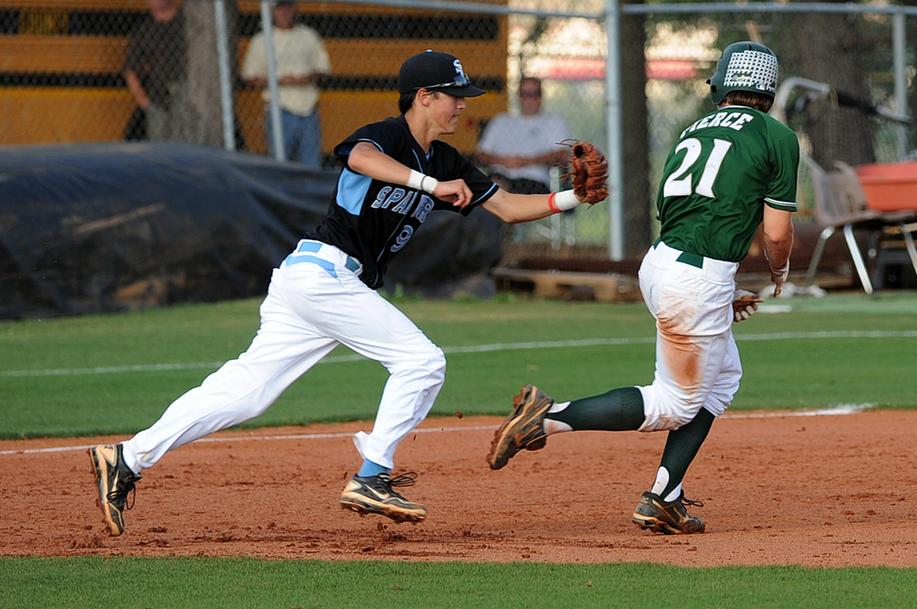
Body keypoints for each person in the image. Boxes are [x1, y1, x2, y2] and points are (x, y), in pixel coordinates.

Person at [87, 50, 605, 536]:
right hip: (322, 274)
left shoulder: (446, 160)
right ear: (423, 96)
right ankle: (372, 475)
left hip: (318, 284)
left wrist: (569, 198)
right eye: (454, 94)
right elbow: (359, 159)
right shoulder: (385, 137)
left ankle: (127, 458)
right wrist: (428, 188)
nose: (462, 104)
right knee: (421, 362)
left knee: (246, 392)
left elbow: (509, 207)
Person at [487, 41, 798, 535]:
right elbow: (777, 234)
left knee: (721, 380)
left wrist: (716, 288)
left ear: (720, 84)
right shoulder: (776, 136)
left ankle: (664, 497)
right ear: (769, 91)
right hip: (696, 278)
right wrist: (776, 274)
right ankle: (546, 418)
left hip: (664, 264)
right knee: (674, 404)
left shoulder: (691, 129)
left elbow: (692, 211)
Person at [241, 0, 331, 168]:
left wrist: (306, 78)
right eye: (280, 9)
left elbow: (323, 69)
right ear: (272, 12)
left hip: (308, 108)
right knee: (281, 164)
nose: (285, 13)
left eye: (288, 8)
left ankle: (309, 194)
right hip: (279, 108)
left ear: (295, 10)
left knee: (311, 164)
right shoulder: (261, 40)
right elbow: (250, 76)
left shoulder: (308, 35)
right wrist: (279, 81)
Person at [474, 77, 572, 194]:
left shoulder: (553, 121)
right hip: (500, 177)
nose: (530, 99)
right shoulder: (501, 121)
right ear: (518, 96)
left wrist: (528, 161)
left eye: (535, 94)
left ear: (541, 96)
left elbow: (562, 154)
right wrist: (502, 161)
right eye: (525, 94)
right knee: (495, 185)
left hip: (534, 181)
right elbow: (480, 154)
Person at [123, 0, 186, 142]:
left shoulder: (188, 23)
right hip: (159, 101)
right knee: (160, 150)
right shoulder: (145, 29)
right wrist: (144, 101)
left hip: (188, 98)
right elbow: (130, 69)